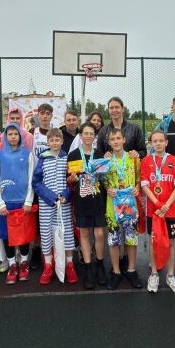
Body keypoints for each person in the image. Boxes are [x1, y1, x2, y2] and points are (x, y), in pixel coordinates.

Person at [141, 130, 175, 294]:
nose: (158, 143)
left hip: (170, 210)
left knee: (171, 242)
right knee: (154, 241)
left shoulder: (174, 160)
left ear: (166, 142)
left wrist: (166, 204)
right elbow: (145, 185)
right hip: (153, 210)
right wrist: (157, 203)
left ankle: (171, 275)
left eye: (161, 140)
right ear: (151, 143)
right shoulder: (146, 161)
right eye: (155, 141)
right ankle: (154, 273)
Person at [32, 128, 77, 285]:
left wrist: (66, 195)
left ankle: (69, 265)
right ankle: (48, 266)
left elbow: (71, 181)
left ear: (62, 141)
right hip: (47, 203)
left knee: (67, 232)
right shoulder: (42, 158)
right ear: (48, 142)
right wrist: (50, 197)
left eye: (57, 140)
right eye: (52, 140)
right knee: (46, 233)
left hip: (64, 203)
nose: (55, 142)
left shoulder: (67, 158)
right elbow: (36, 182)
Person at [0, 123, 36, 284]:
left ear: (20, 136)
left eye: (15, 134)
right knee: (6, 235)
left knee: (23, 235)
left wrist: (28, 200)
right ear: (5, 136)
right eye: (10, 134)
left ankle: (23, 263)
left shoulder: (27, 155)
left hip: (22, 203)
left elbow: (31, 179)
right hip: (6, 204)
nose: (13, 137)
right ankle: (12, 264)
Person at [66, 122, 107, 289]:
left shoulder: (99, 154)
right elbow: (69, 179)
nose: (89, 136)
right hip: (82, 200)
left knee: (99, 234)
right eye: (86, 133)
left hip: (98, 199)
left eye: (91, 134)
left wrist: (101, 175)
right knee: (84, 233)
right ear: (80, 136)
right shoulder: (73, 155)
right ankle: (88, 268)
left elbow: (104, 178)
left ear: (95, 137)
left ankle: (100, 264)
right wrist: (72, 179)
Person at [102, 128, 143, 290]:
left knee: (131, 238)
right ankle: (116, 271)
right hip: (113, 206)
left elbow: (139, 179)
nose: (116, 141)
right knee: (114, 240)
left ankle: (131, 270)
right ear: (109, 142)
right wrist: (108, 189)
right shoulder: (106, 160)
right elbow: (103, 181)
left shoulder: (133, 158)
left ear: (124, 139)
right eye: (112, 139)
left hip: (130, 205)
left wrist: (137, 187)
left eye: (118, 138)